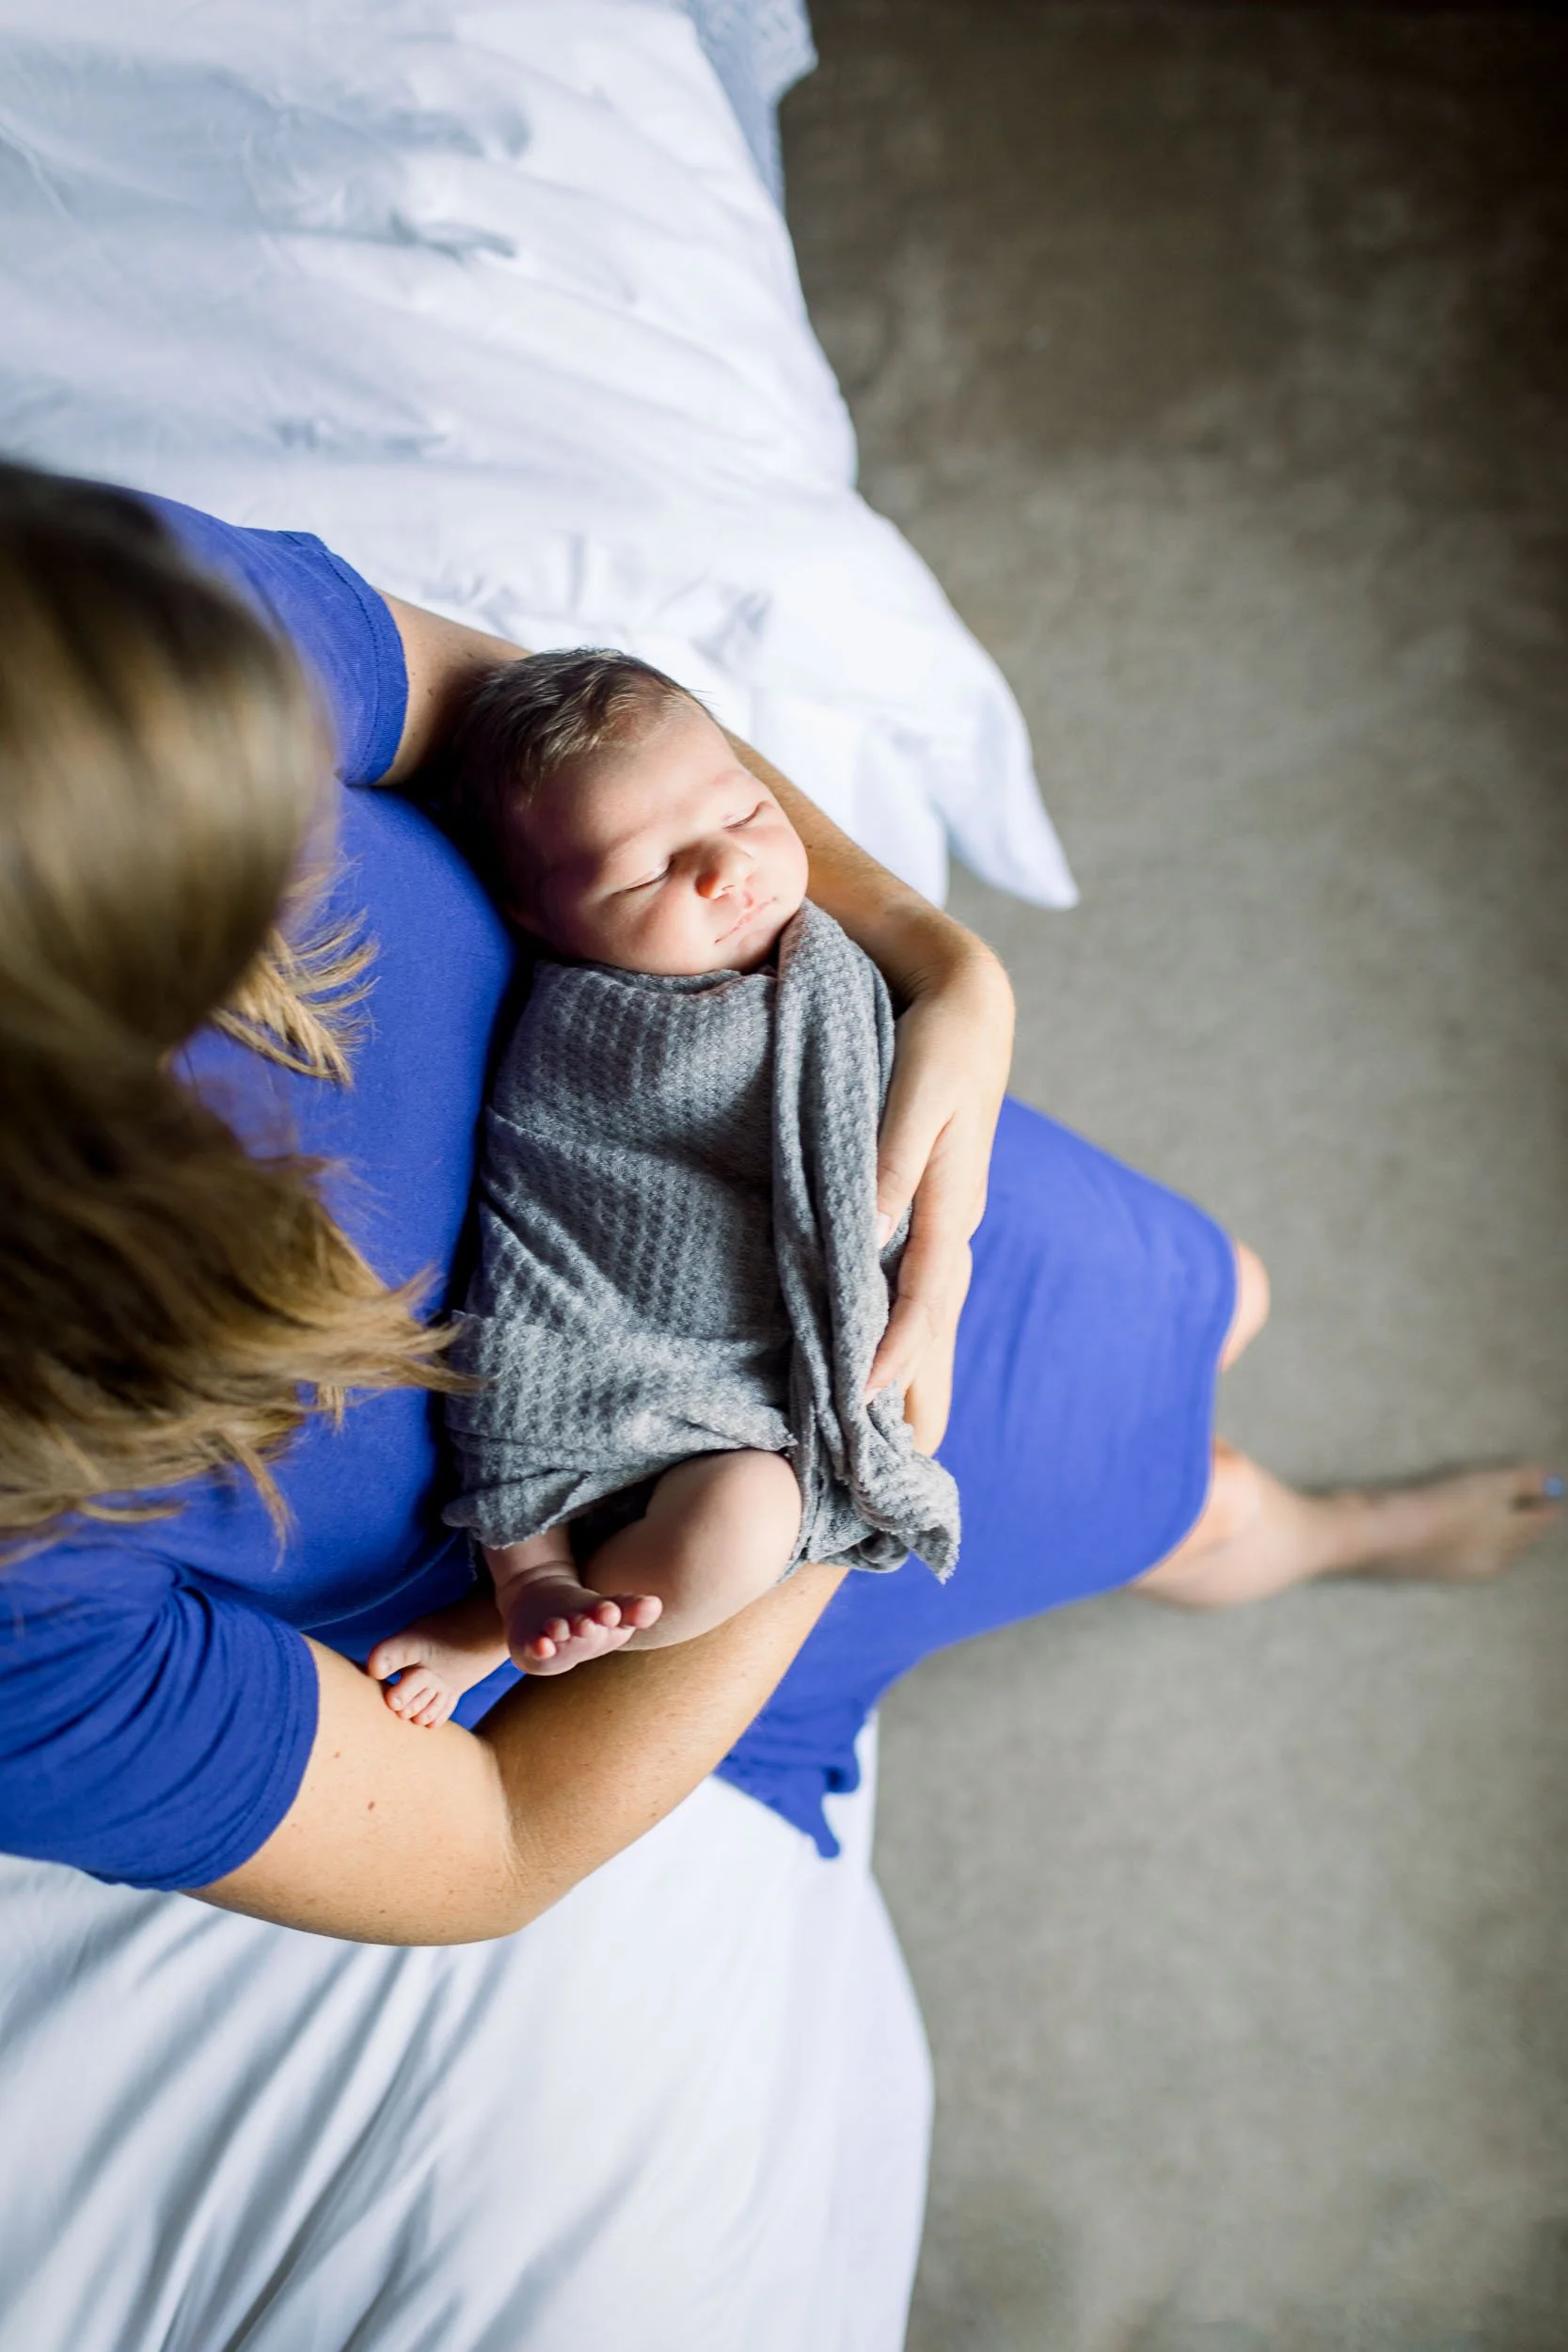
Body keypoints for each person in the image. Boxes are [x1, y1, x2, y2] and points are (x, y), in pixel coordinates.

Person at [0, 461, 1558, 2339]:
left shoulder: (67, 644)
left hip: (763, 1110)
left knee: (1205, 1284)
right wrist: (827, 1442)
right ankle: (1314, 1531)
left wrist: (931, 966)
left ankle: (1215, 1475)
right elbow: (493, 1838)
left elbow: (508, 707)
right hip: (677, 1543)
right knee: (1188, 1498)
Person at [368, 647, 959, 1720]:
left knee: (740, 1517)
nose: (726, 869)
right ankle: (526, 1590)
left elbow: (926, 1063)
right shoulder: (593, 1037)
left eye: (744, 807)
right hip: (619, 1354)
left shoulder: (825, 953)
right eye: (648, 870)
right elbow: (551, 1230)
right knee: (743, 1514)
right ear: (536, 918)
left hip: (794, 1361)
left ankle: (525, 1603)